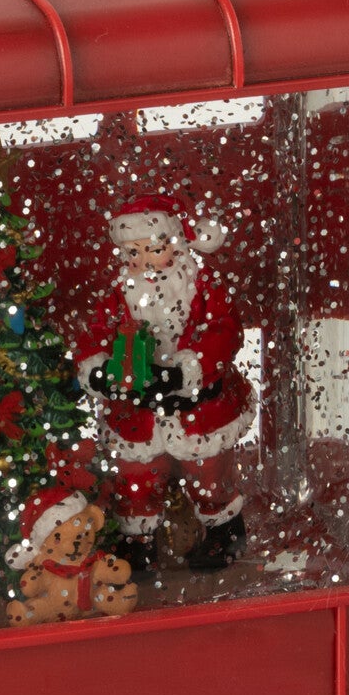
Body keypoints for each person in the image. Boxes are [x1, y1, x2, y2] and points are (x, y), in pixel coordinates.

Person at [75, 200, 252, 571]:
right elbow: (95, 334)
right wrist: (98, 370)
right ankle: (138, 543)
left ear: (177, 245)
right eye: (133, 253)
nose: (144, 262)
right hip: (137, 415)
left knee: (209, 475)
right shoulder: (118, 292)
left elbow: (224, 331)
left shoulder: (201, 286)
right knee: (137, 479)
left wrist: (185, 372)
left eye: (154, 250)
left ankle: (224, 532)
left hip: (199, 411)